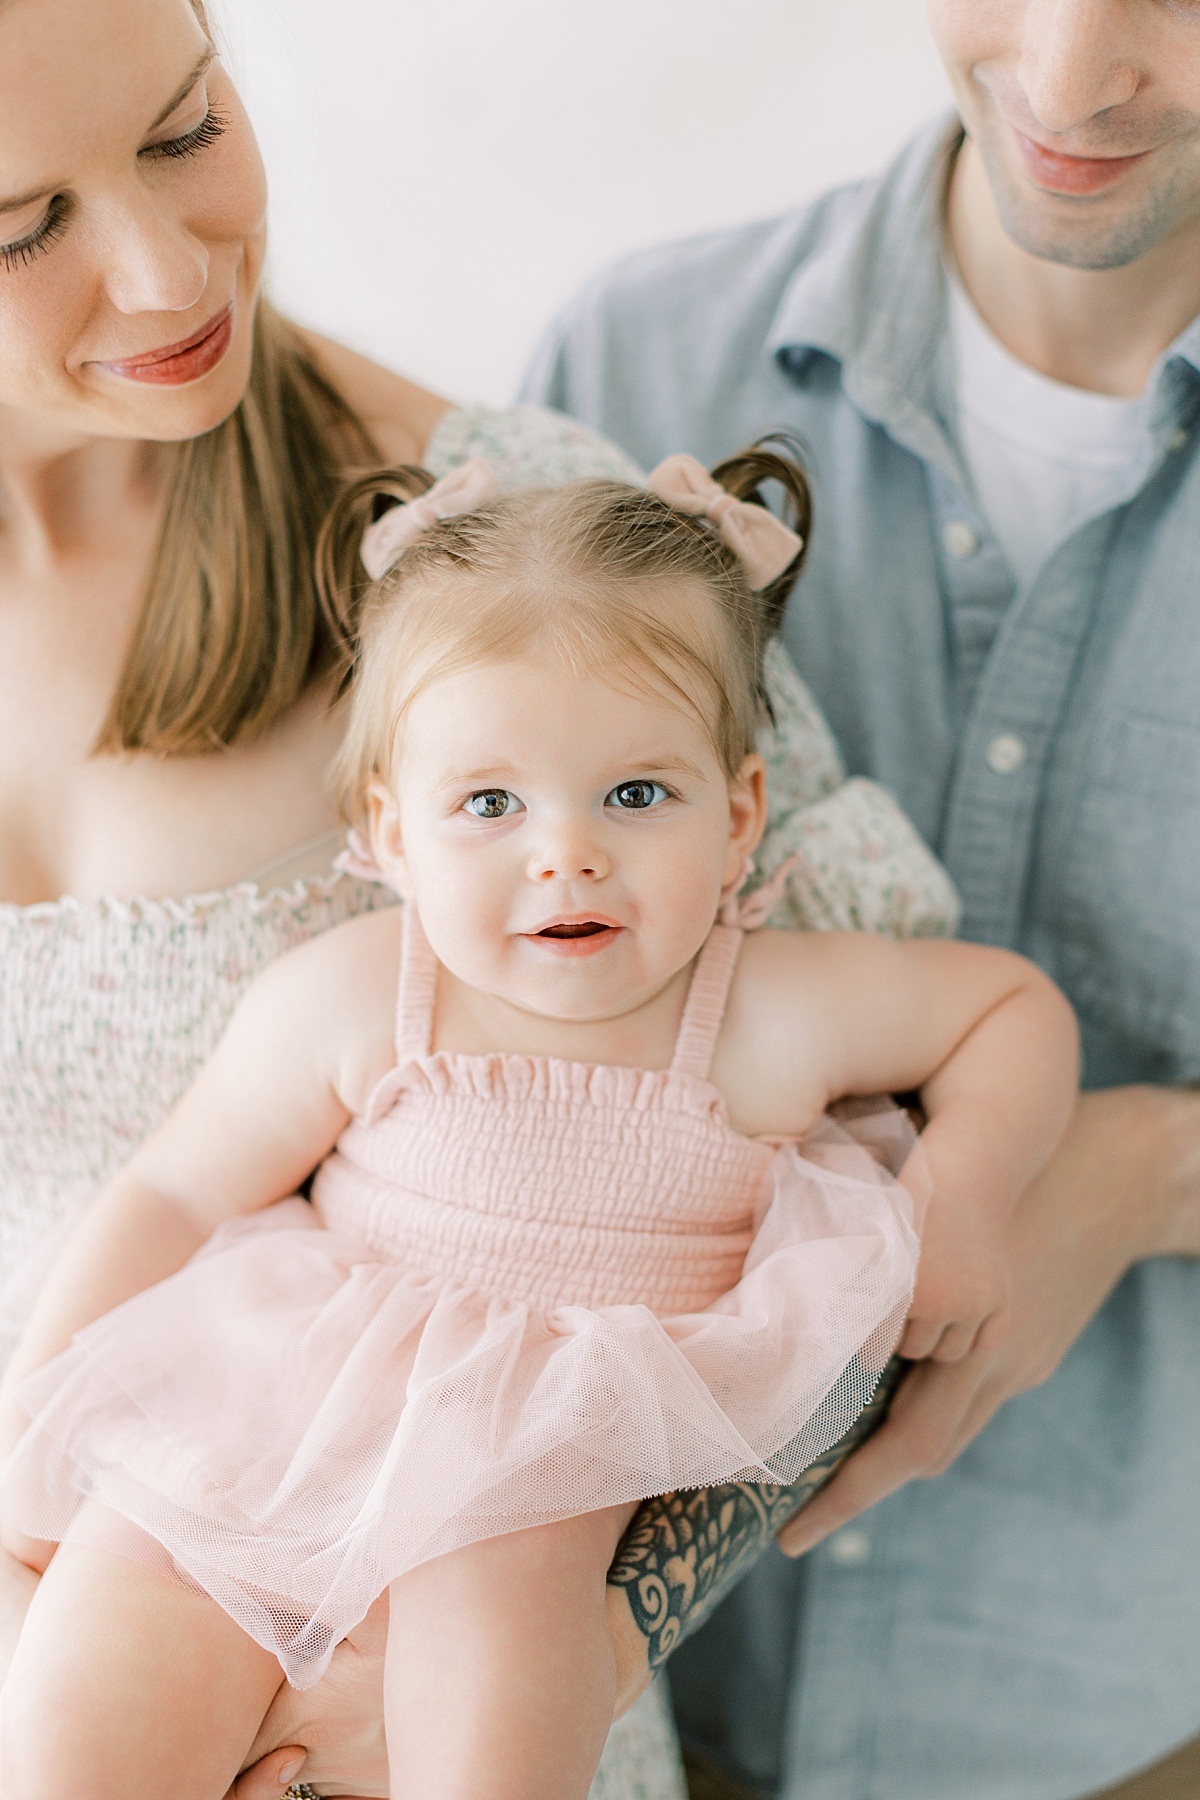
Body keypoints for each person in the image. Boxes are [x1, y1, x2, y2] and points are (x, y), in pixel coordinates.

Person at [0, 1, 965, 1794]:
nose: (160, 271)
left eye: (188, 125)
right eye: (18, 227)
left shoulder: (516, 557)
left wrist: (561, 1646)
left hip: (473, 1682)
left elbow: (854, 1199)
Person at [0, 446, 1078, 1800]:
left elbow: (1009, 1011)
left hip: (535, 1467)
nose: (564, 852)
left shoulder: (763, 1013)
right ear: (391, 835)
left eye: (637, 795)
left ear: (739, 814)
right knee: (90, 1701)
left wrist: (964, 1192)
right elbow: (171, 1193)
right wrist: (31, 1427)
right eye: (489, 804)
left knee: (501, 1677)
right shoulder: (361, 996)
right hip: (278, 1408)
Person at [522, 2, 1200, 1797]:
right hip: (603, 1701)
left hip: (1132, 1725)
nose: (1070, 81)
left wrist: (1141, 1172)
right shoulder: (635, 364)